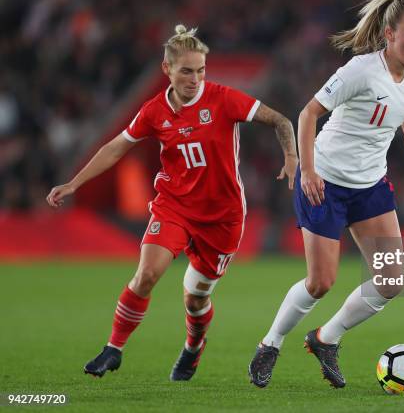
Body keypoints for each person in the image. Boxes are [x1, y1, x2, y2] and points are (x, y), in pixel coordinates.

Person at [46, 24, 298, 381]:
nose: (194, 79)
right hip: (175, 206)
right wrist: (75, 182)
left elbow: (281, 120)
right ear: (167, 70)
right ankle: (113, 349)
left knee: (195, 299)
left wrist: (291, 155)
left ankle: (194, 347)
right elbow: (117, 146)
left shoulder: (224, 99)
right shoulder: (153, 111)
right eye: (186, 71)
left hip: (222, 218)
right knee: (147, 273)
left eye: (200, 71)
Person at [248, 0, 404, 389]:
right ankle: (270, 344)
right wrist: (307, 170)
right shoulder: (361, 70)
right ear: (388, 34)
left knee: (391, 280)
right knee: (320, 283)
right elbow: (308, 113)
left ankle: (326, 338)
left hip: (370, 186)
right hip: (324, 181)